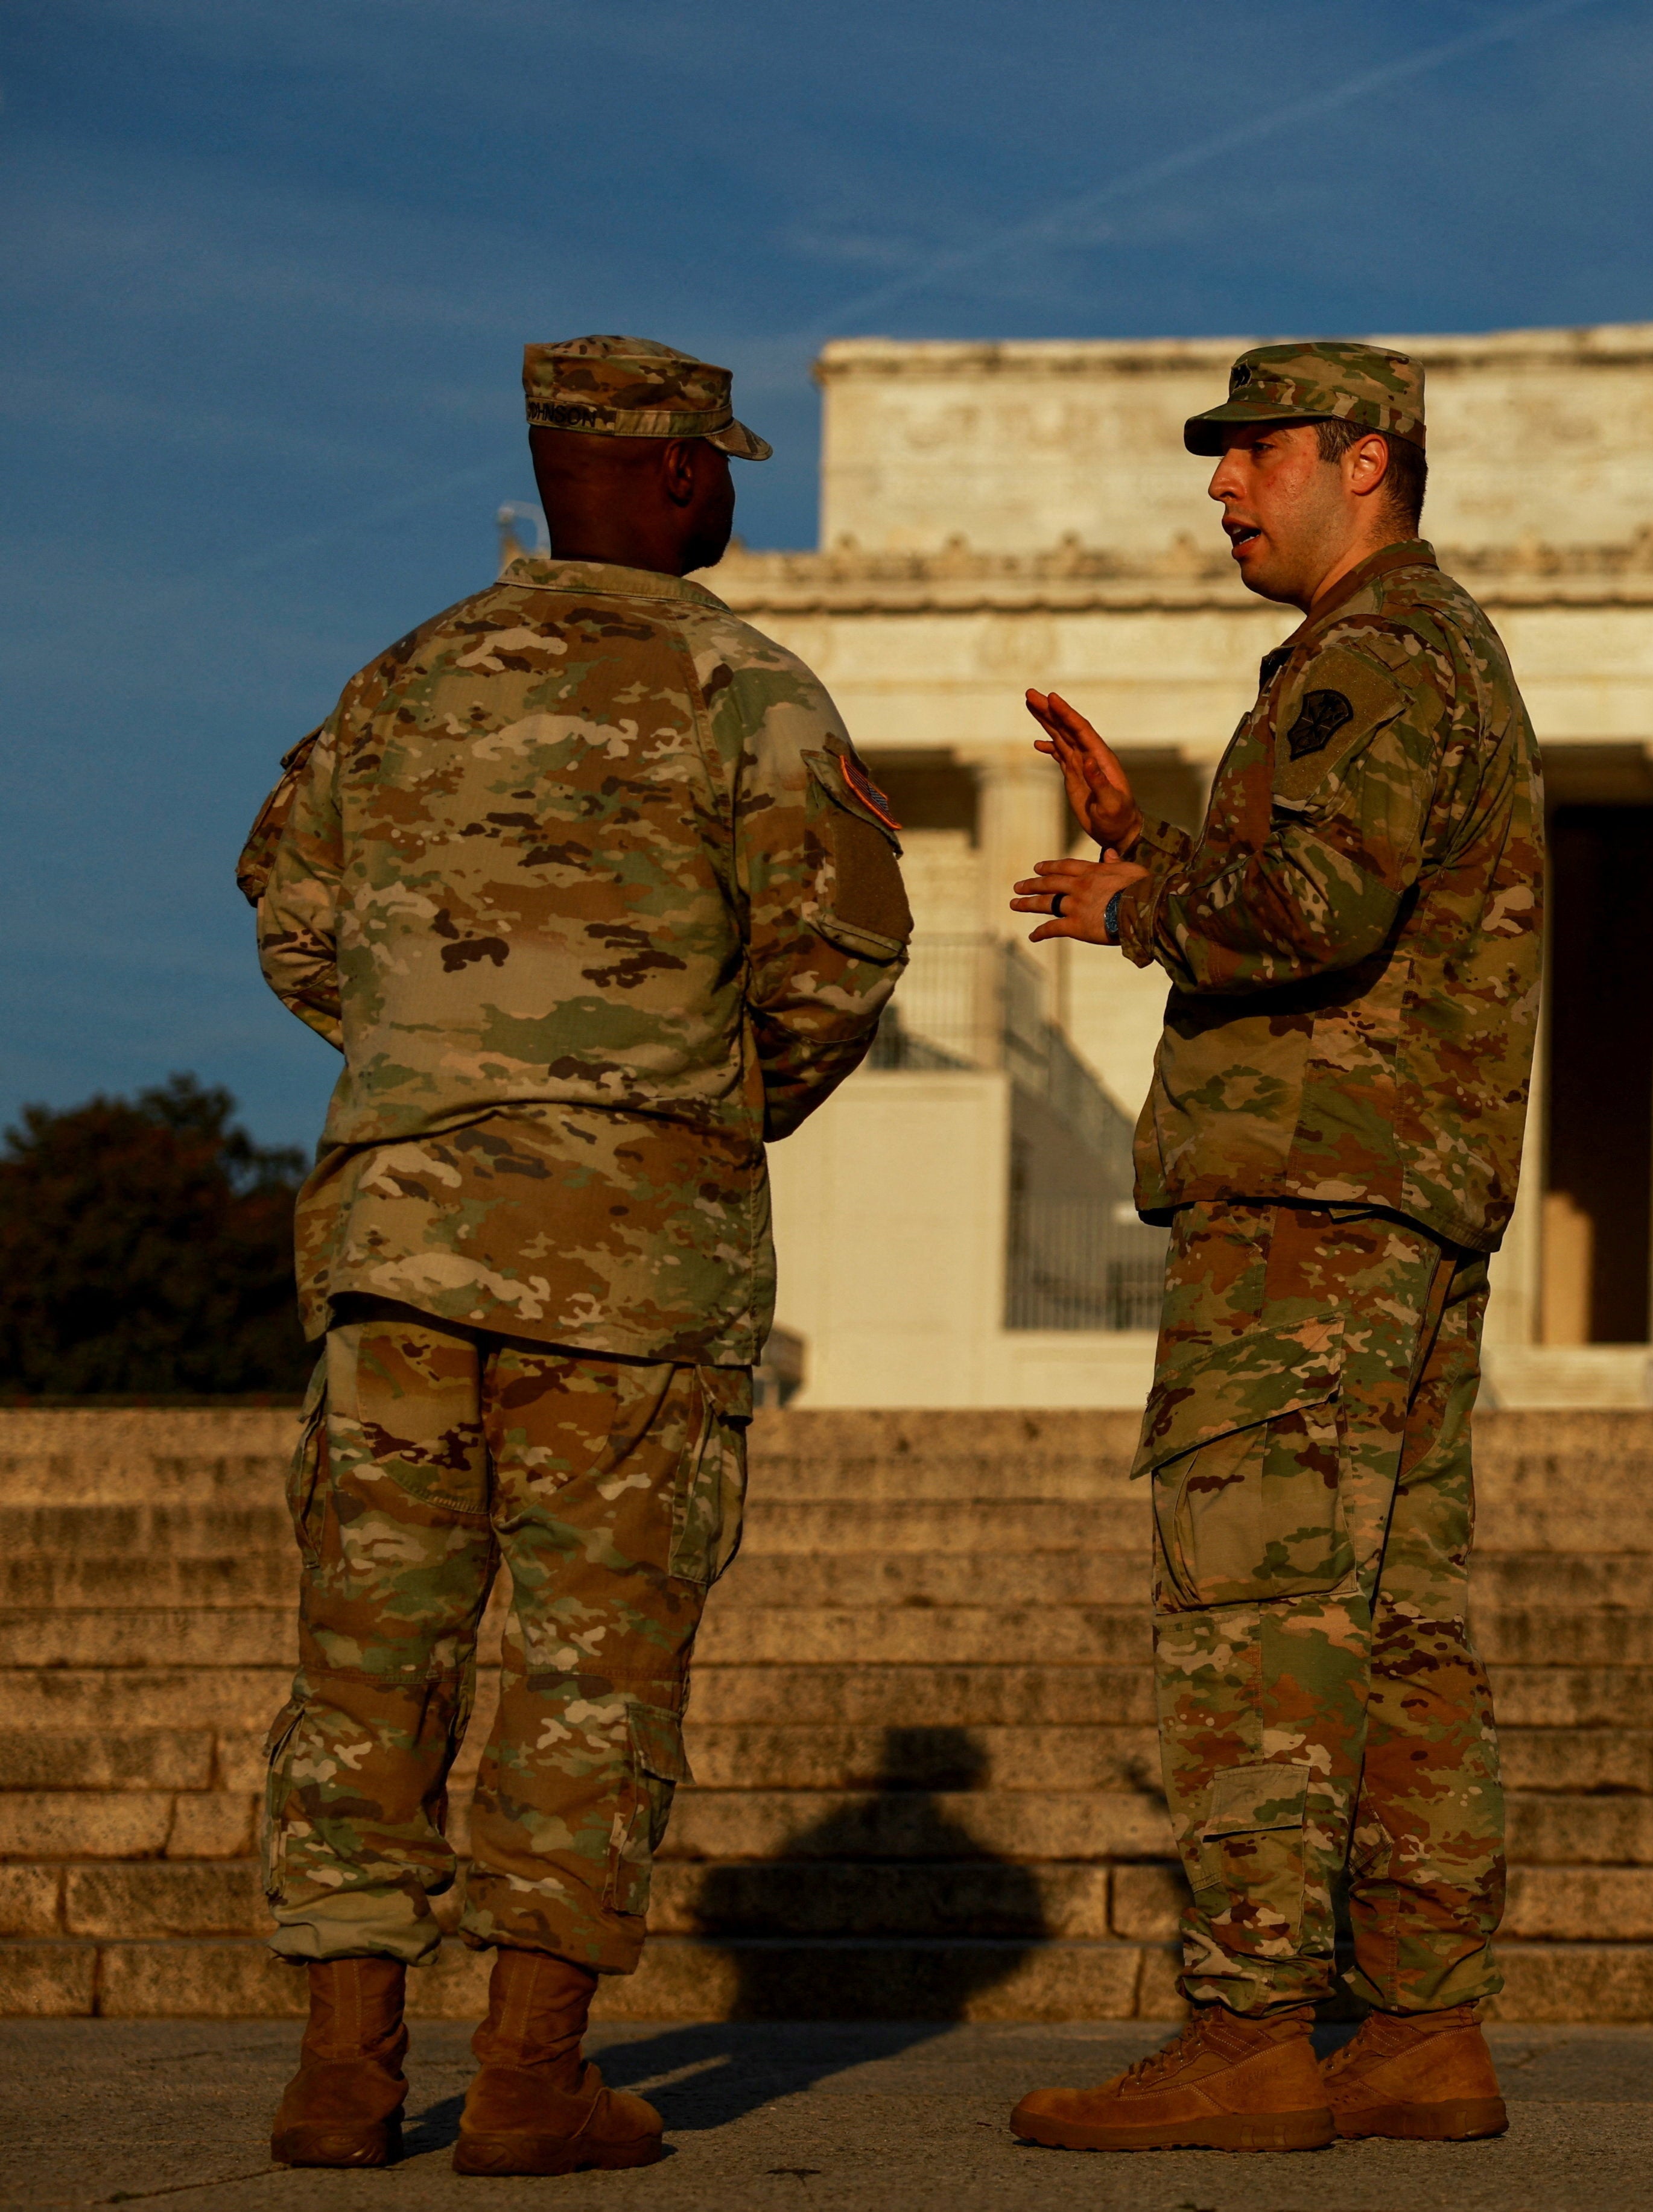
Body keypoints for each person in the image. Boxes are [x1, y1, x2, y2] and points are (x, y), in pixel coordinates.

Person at [236, 337, 909, 2175]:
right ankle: (529, 2073)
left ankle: (340, 2067)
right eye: (729, 472)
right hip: (633, 1261)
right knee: (594, 1660)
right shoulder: (742, 685)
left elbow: (293, 912)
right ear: (683, 479)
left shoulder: (406, 678)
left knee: (371, 1649)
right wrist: (681, 1111)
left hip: (396, 1235)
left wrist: (437, 1070)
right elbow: (840, 960)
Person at [1007, 343, 1544, 2154]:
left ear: (1361, 462)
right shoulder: (1423, 653)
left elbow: (1314, 907)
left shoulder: (1377, 650)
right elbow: (1364, 898)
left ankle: (1249, 2030)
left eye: (1253, 456)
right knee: (1393, 1620)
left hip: (1310, 1201)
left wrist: (1133, 901)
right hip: (1398, 1191)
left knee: (1257, 1615)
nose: (1223, 490)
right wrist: (1148, 837)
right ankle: (1416, 2028)